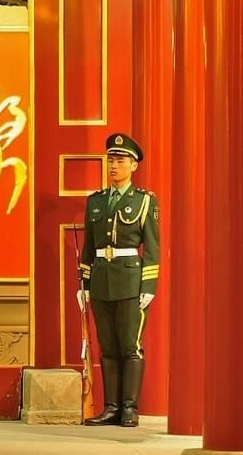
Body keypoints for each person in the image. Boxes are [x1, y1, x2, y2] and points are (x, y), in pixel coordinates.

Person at [77, 133, 160, 427]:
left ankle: (129, 408)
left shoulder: (144, 201)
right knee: (108, 346)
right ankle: (111, 408)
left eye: (120, 161)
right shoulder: (96, 201)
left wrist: (148, 286)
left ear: (133, 165)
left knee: (130, 346)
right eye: (111, 160)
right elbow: (89, 246)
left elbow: (153, 247)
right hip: (101, 280)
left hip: (130, 280)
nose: (114, 166)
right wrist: (85, 284)